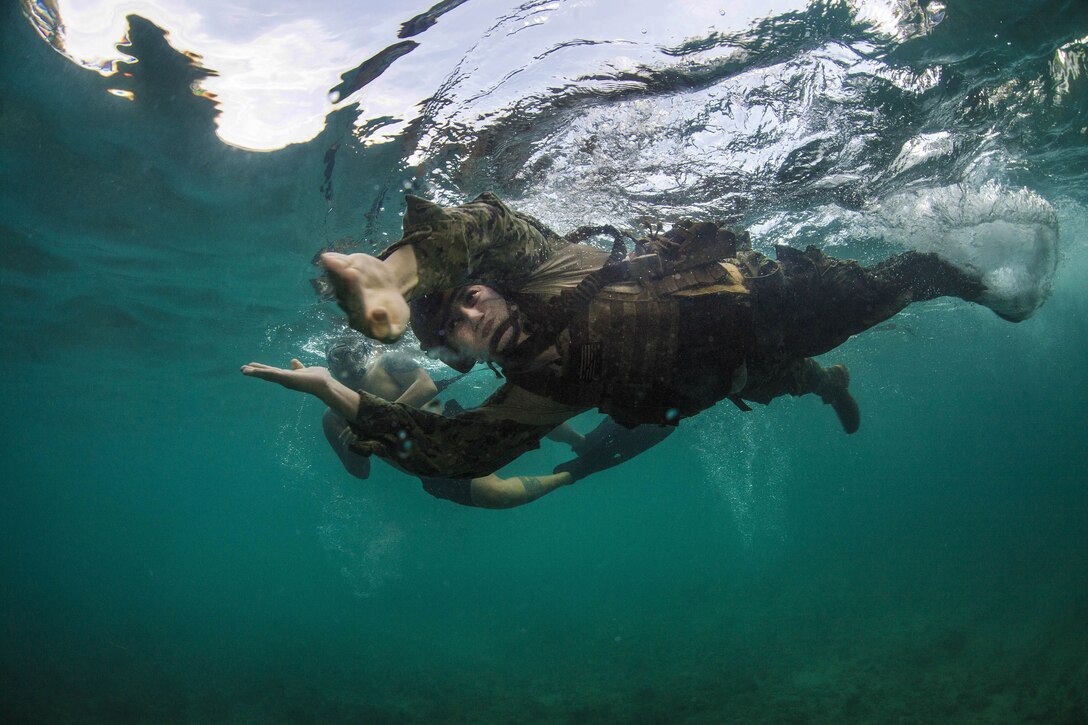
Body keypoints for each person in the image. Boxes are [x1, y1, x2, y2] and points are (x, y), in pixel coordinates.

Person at [244, 192, 1040, 481]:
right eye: (453, 325)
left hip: (764, 304)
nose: (472, 316)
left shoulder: (545, 265)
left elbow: (484, 223)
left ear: (488, 282)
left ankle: (993, 291)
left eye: (470, 298)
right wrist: (329, 390)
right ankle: (827, 381)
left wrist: (395, 271)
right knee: (785, 379)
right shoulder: (529, 395)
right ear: (458, 351)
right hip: (730, 375)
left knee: (903, 279)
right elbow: (450, 453)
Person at [277, 334, 671, 508]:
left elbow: (426, 383)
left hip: (446, 426)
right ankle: (575, 472)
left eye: (356, 377)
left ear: (364, 360)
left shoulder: (388, 362)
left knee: (521, 412)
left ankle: (581, 443)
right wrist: (350, 447)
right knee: (495, 496)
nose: (352, 385)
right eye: (342, 382)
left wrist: (371, 418)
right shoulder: (331, 420)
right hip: (423, 464)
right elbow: (359, 472)